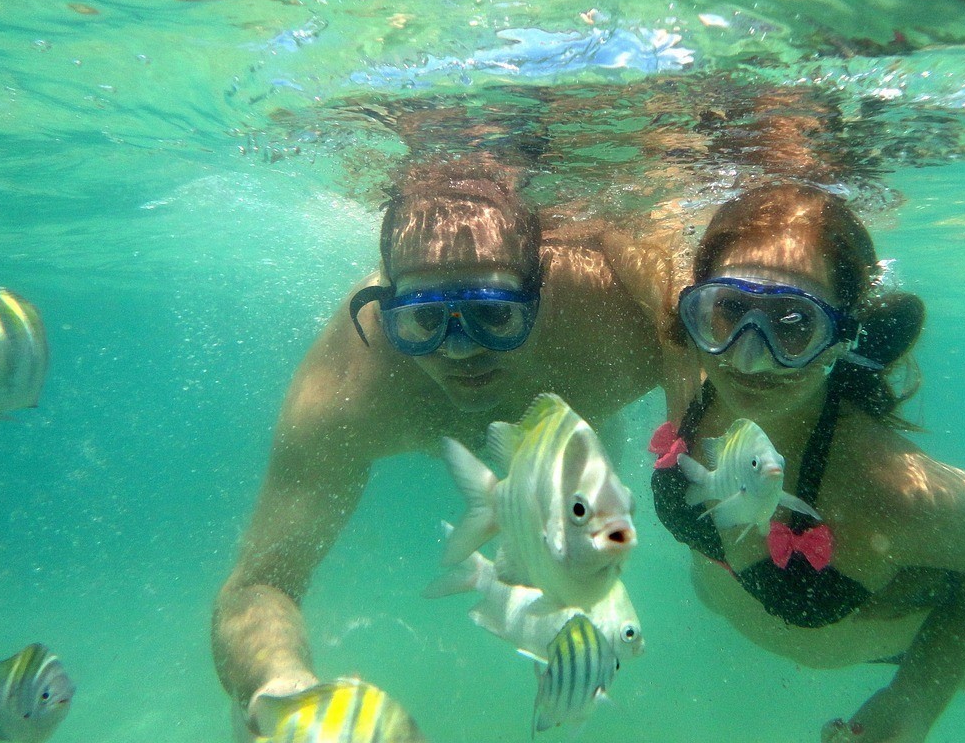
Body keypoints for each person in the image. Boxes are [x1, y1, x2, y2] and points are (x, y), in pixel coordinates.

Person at [630, 182, 965, 743]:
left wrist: (915, 697)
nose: (749, 355)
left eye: (793, 323)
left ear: (842, 336)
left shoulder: (886, 487)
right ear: (696, 311)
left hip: (919, 638)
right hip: (804, 627)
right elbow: (641, 250)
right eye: (730, 310)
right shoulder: (694, 371)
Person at [211, 157, 665, 737]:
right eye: (424, 321)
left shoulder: (611, 319)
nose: (459, 351)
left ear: (542, 294)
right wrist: (285, 688)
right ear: (384, 308)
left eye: (495, 314)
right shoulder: (347, 387)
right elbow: (260, 581)